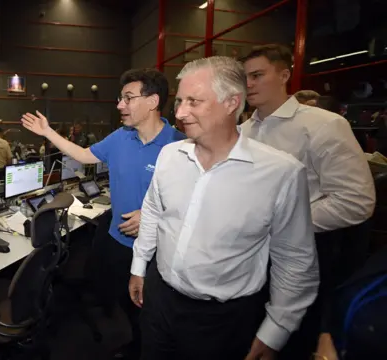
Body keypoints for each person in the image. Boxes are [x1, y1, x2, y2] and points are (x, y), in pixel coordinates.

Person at [130, 56, 319, 360]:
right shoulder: (169, 156)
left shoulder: (281, 173)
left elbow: (295, 261)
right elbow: (153, 211)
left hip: (222, 322)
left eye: (194, 101)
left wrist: (276, 329)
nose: (179, 113)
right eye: (179, 101)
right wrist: (139, 267)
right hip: (159, 300)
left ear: (232, 102)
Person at [21, 68, 186, 359]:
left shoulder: (179, 145)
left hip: (155, 251)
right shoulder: (121, 137)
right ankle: (130, 340)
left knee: (150, 314)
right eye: (120, 98)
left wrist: (155, 217)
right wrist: (48, 132)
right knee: (122, 301)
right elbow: (84, 155)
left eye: (128, 98)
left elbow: (193, 201)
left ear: (152, 101)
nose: (120, 105)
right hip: (116, 241)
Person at [241, 44, 376, 359]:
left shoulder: (322, 125)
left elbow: (356, 201)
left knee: (297, 342)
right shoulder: (243, 131)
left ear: (284, 74)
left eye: (257, 75)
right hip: (256, 252)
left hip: (312, 253)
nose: (248, 84)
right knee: (257, 335)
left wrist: (285, 223)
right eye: (243, 77)